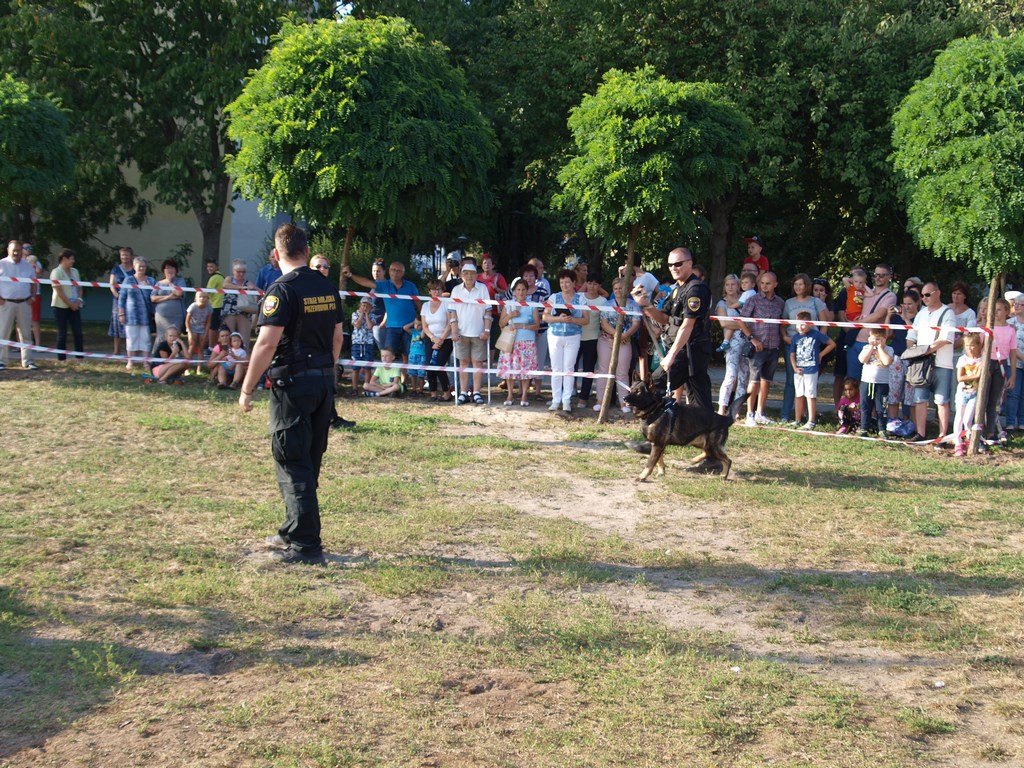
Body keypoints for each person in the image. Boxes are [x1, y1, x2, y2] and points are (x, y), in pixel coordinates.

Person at [239, 223, 342, 567]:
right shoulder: (326, 285)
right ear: (306, 250)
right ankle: (292, 529)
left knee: (292, 460)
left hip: (294, 385)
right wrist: (326, 370)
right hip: (323, 381)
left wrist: (246, 388)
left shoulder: (281, 290)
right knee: (308, 460)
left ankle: (306, 546)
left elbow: (266, 343)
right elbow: (337, 337)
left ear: (276, 252)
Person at [635, 247, 713, 410]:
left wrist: (671, 355)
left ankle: (654, 422)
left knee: (652, 386)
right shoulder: (677, 289)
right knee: (700, 404)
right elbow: (664, 318)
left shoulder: (695, 289)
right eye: (670, 265)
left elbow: (688, 325)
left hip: (690, 351)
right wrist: (646, 304)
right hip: (683, 351)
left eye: (678, 264)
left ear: (689, 263)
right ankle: (706, 425)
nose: (673, 268)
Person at [344, 260, 419, 372]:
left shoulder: (411, 286)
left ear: (403, 273)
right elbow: (366, 282)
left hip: (409, 325)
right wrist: (350, 275)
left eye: (398, 271)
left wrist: (422, 320)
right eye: (393, 270)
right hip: (392, 327)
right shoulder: (384, 285)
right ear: (389, 271)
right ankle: (387, 380)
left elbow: (418, 303)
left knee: (407, 355)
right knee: (387, 355)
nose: (395, 273)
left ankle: (404, 380)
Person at [907, 281, 955, 442]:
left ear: (938, 293)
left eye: (927, 294)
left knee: (941, 400)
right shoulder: (921, 314)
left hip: (942, 363)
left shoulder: (948, 313)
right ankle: (921, 434)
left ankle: (942, 436)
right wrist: (913, 352)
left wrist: (924, 351)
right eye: (922, 295)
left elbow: (945, 338)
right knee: (920, 399)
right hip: (921, 363)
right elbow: (911, 336)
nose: (924, 298)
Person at [736, 271, 785, 425]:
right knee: (754, 380)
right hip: (757, 347)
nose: (764, 286)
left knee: (766, 381)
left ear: (775, 284)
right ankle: (749, 414)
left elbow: (782, 323)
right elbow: (741, 321)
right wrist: (752, 338)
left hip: (773, 346)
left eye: (768, 283)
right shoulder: (753, 300)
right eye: (762, 283)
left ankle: (760, 413)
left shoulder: (780, 302)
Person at [780, 273, 829, 423]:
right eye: (795, 284)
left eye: (800, 284)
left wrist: (819, 341)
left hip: (810, 347)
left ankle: (808, 416)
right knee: (791, 380)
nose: (797, 287)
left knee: (809, 383)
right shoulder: (788, 303)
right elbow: (783, 323)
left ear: (806, 285)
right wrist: (785, 337)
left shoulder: (815, 302)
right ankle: (786, 415)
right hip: (793, 344)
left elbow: (824, 323)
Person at [542, 268, 588, 412]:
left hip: (573, 336)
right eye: (562, 282)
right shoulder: (554, 297)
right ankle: (556, 400)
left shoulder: (581, 299)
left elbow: (586, 320)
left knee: (569, 368)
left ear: (573, 283)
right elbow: (545, 316)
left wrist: (573, 320)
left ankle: (566, 400)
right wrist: (558, 319)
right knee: (556, 368)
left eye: (567, 282)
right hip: (555, 336)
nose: (564, 285)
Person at [448, 261, 492, 404]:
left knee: (477, 363)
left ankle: (477, 392)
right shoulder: (456, 290)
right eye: (466, 273)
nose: (469, 276)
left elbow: (488, 310)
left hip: (478, 332)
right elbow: (452, 312)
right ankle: (463, 392)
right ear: (461, 275)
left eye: (472, 273)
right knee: (463, 363)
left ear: (476, 275)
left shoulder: (482, 288)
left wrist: (486, 331)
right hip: (462, 332)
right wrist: (454, 331)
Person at [595, 276, 640, 413]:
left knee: (622, 373)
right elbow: (604, 323)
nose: (618, 291)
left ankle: (624, 402)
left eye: (620, 288)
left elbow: (636, 324)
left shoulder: (633, 305)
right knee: (603, 371)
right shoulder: (607, 305)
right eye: (615, 289)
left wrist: (624, 336)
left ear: (625, 289)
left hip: (625, 342)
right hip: (606, 340)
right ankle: (600, 400)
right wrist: (617, 335)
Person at [497, 277, 540, 406]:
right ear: (514, 291)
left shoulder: (532, 305)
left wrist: (522, 326)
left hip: (527, 342)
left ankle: (524, 395)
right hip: (510, 342)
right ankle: (510, 394)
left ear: (527, 291)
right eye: (518, 289)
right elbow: (501, 323)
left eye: (523, 289)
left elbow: (537, 325)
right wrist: (510, 315)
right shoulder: (509, 305)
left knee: (525, 370)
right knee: (510, 369)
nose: (521, 292)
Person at [789, 310, 835, 430]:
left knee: (810, 394)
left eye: (803, 324)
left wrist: (821, 355)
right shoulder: (795, 337)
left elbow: (831, 344)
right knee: (799, 394)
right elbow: (792, 354)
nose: (800, 327)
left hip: (811, 369)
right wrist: (795, 367)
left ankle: (811, 420)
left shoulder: (816, 334)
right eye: (798, 324)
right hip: (798, 370)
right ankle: (797, 419)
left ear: (810, 324)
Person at [0, 240, 38, 370]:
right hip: (6, 303)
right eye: (13, 250)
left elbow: (34, 282)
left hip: (24, 303)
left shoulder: (27, 266)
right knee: (3, 333)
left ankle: (28, 361)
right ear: (8, 250)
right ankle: (1, 361)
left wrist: (33, 297)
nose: (16, 252)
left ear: (22, 251)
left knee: (26, 333)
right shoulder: (1, 264)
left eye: (18, 250)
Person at [984, 298, 1016, 441]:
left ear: (1007, 312)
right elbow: (980, 347)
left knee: (994, 400)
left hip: (1001, 365)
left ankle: (990, 431)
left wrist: (1013, 375)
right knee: (983, 398)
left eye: (999, 310)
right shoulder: (988, 327)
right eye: (994, 310)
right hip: (987, 363)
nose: (996, 313)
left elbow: (1013, 354)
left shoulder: (1011, 330)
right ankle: (978, 430)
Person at [117, 256, 155, 372]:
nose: (142, 268)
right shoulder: (128, 280)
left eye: (144, 266)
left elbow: (155, 296)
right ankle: (130, 361)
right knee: (131, 339)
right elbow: (122, 298)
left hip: (145, 316)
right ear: (134, 267)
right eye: (140, 266)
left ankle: (145, 362)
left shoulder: (151, 281)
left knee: (145, 339)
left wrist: (149, 288)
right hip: (131, 316)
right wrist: (121, 313)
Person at [576, 272, 607, 403]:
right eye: (589, 283)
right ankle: (569, 393)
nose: (592, 286)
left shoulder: (603, 301)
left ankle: (583, 398)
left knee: (588, 369)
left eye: (595, 284)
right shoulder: (578, 297)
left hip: (593, 338)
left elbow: (605, 320)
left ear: (599, 286)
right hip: (576, 337)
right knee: (571, 367)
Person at [420, 278, 453, 401]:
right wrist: (433, 338)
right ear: (429, 291)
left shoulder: (447, 303)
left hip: (446, 338)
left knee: (439, 365)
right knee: (430, 366)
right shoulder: (425, 305)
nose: (436, 292)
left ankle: (446, 393)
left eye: (439, 289)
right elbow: (424, 326)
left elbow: (450, 323)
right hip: (430, 338)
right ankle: (433, 393)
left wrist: (441, 339)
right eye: (433, 290)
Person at [50, 248, 85, 363]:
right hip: (60, 307)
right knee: (62, 334)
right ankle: (62, 359)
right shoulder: (56, 272)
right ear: (64, 259)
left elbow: (80, 287)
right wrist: (70, 304)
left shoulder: (75, 271)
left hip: (75, 306)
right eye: (71, 259)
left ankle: (80, 358)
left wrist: (78, 300)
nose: (73, 261)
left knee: (78, 332)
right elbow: (59, 291)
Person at [857, 328, 893, 436]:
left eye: (878, 339)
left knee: (881, 408)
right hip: (866, 382)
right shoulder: (866, 348)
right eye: (872, 339)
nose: (875, 342)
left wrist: (880, 348)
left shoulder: (889, 349)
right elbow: (862, 360)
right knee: (865, 407)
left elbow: (887, 362)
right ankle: (864, 428)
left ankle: (882, 429)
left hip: (882, 384)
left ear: (884, 340)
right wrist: (871, 348)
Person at [952, 332, 983, 456]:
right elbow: (960, 378)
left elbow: (986, 375)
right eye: (967, 345)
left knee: (968, 419)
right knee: (959, 417)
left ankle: (969, 439)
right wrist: (976, 375)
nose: (969, 348)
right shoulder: (962, 359)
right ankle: (958, 443)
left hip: (974, 394)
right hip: (962, 393)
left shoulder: (982, 359)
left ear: (979, 345)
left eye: (972, 345)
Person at [150, 259, 187, 355]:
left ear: (176, 270)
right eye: (167, 268)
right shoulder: (158, 283)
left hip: (177, 316)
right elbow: (153, 298)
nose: (169, 270)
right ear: (163, 270)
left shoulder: (180, 281)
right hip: (161, 317)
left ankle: (174, 356)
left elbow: (179, 293)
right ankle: (157, 356)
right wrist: (169, 297)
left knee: (174, 336)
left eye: (172, 267)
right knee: (161, 336)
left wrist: (170, 282)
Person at [107, 247, 135, 356]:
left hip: (131, 300)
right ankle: (116, 350)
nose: (124, 257)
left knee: (131, 325)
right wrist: (118, 296)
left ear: (131, 256)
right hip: (118, 300)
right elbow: (111, 285)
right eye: (122, 255)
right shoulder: (116, 269)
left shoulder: (135, 269)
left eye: (127, 255)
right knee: (117, 324)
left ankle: (131, 351)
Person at [222, 260, 258, 347]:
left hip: (244, 313)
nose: (241, 274)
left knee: (244, 340)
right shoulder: (229, 279)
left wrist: (253, 288)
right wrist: (241, 288)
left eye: (243, 272)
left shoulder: (248, 282)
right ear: (233, 271)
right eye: (238, 272)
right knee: (229, 338)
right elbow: (225, 285)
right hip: (229, 313)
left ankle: (244, 354)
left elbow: (258, 291)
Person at [350, 297, 376, 393]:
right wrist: (361, 315)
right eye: (363, 305)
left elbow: (369, 326)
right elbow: (357, 325)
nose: (365, 308)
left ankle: (367, 388)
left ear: (371, 307)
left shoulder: (372, 315)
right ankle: (354, 389)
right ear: (359, 306)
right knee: (355, 368)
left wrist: (367, 315)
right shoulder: (355, 314)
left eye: (367, 306)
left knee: (367, 368)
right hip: (357, 344)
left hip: (368, 344)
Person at [1006, 294, 1024, 431]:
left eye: (1020, 304)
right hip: (1014, 363)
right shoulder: (1009, 323)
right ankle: (1010, 423)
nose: (1016, 306)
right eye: (1015, 304)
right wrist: (1022, 357)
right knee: (1013, 393)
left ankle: (1022, 422)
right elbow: (1008, 344)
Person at [185, 289, 212, 374]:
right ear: (195, 298)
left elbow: (208, 322)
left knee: (201, 348)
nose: (202, 299)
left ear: (207, 298)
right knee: (191, 347)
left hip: (202, 329)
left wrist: (206, 334)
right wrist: (189, 333)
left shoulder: (209, 307)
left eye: (204, 297)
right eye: (200, 297)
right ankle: (186, 368)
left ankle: (199, 369)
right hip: (192, 328)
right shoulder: (192, 307)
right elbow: (187, 321)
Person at [948, 281, 976, 358]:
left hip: (960, 354)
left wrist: (953, 346)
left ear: (965, 296)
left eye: (959, 294)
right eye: (954, 293)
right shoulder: (946, 309)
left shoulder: (970, 313)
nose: (956, 296)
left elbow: (967, 334)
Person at [23, 245, 43, 347]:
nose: (28, 250)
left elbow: (39, 275)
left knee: (35, 320)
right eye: (26, 248)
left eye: (30, 248)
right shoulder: (19, 263)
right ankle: (20, 345)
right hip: (22, 294)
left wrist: (34, 264)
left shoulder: (36, 262)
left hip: (35, 294)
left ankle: (37, 345)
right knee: (20, 321)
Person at [204, 258, 225, 349]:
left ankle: (211, 347)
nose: (209, 268)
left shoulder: (214, 277)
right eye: (208, 266)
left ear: (217, 267)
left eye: (211, 266)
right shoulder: (221, 276)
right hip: (220, 305)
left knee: (212, 327)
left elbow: (207, 292)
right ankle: (215, 346)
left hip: (215, 305)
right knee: (216, 327)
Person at [405, 317, 426, 395]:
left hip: (422, 355)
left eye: (419, 325)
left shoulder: (425, 332)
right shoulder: (413, 331)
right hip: (412, 355)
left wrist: (424, 326)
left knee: (421, 374)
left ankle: (421, 390)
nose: (416, 326)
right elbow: (405, 328)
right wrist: (413, 322)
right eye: (415, 324)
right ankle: (414, 390)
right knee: (413, 373)